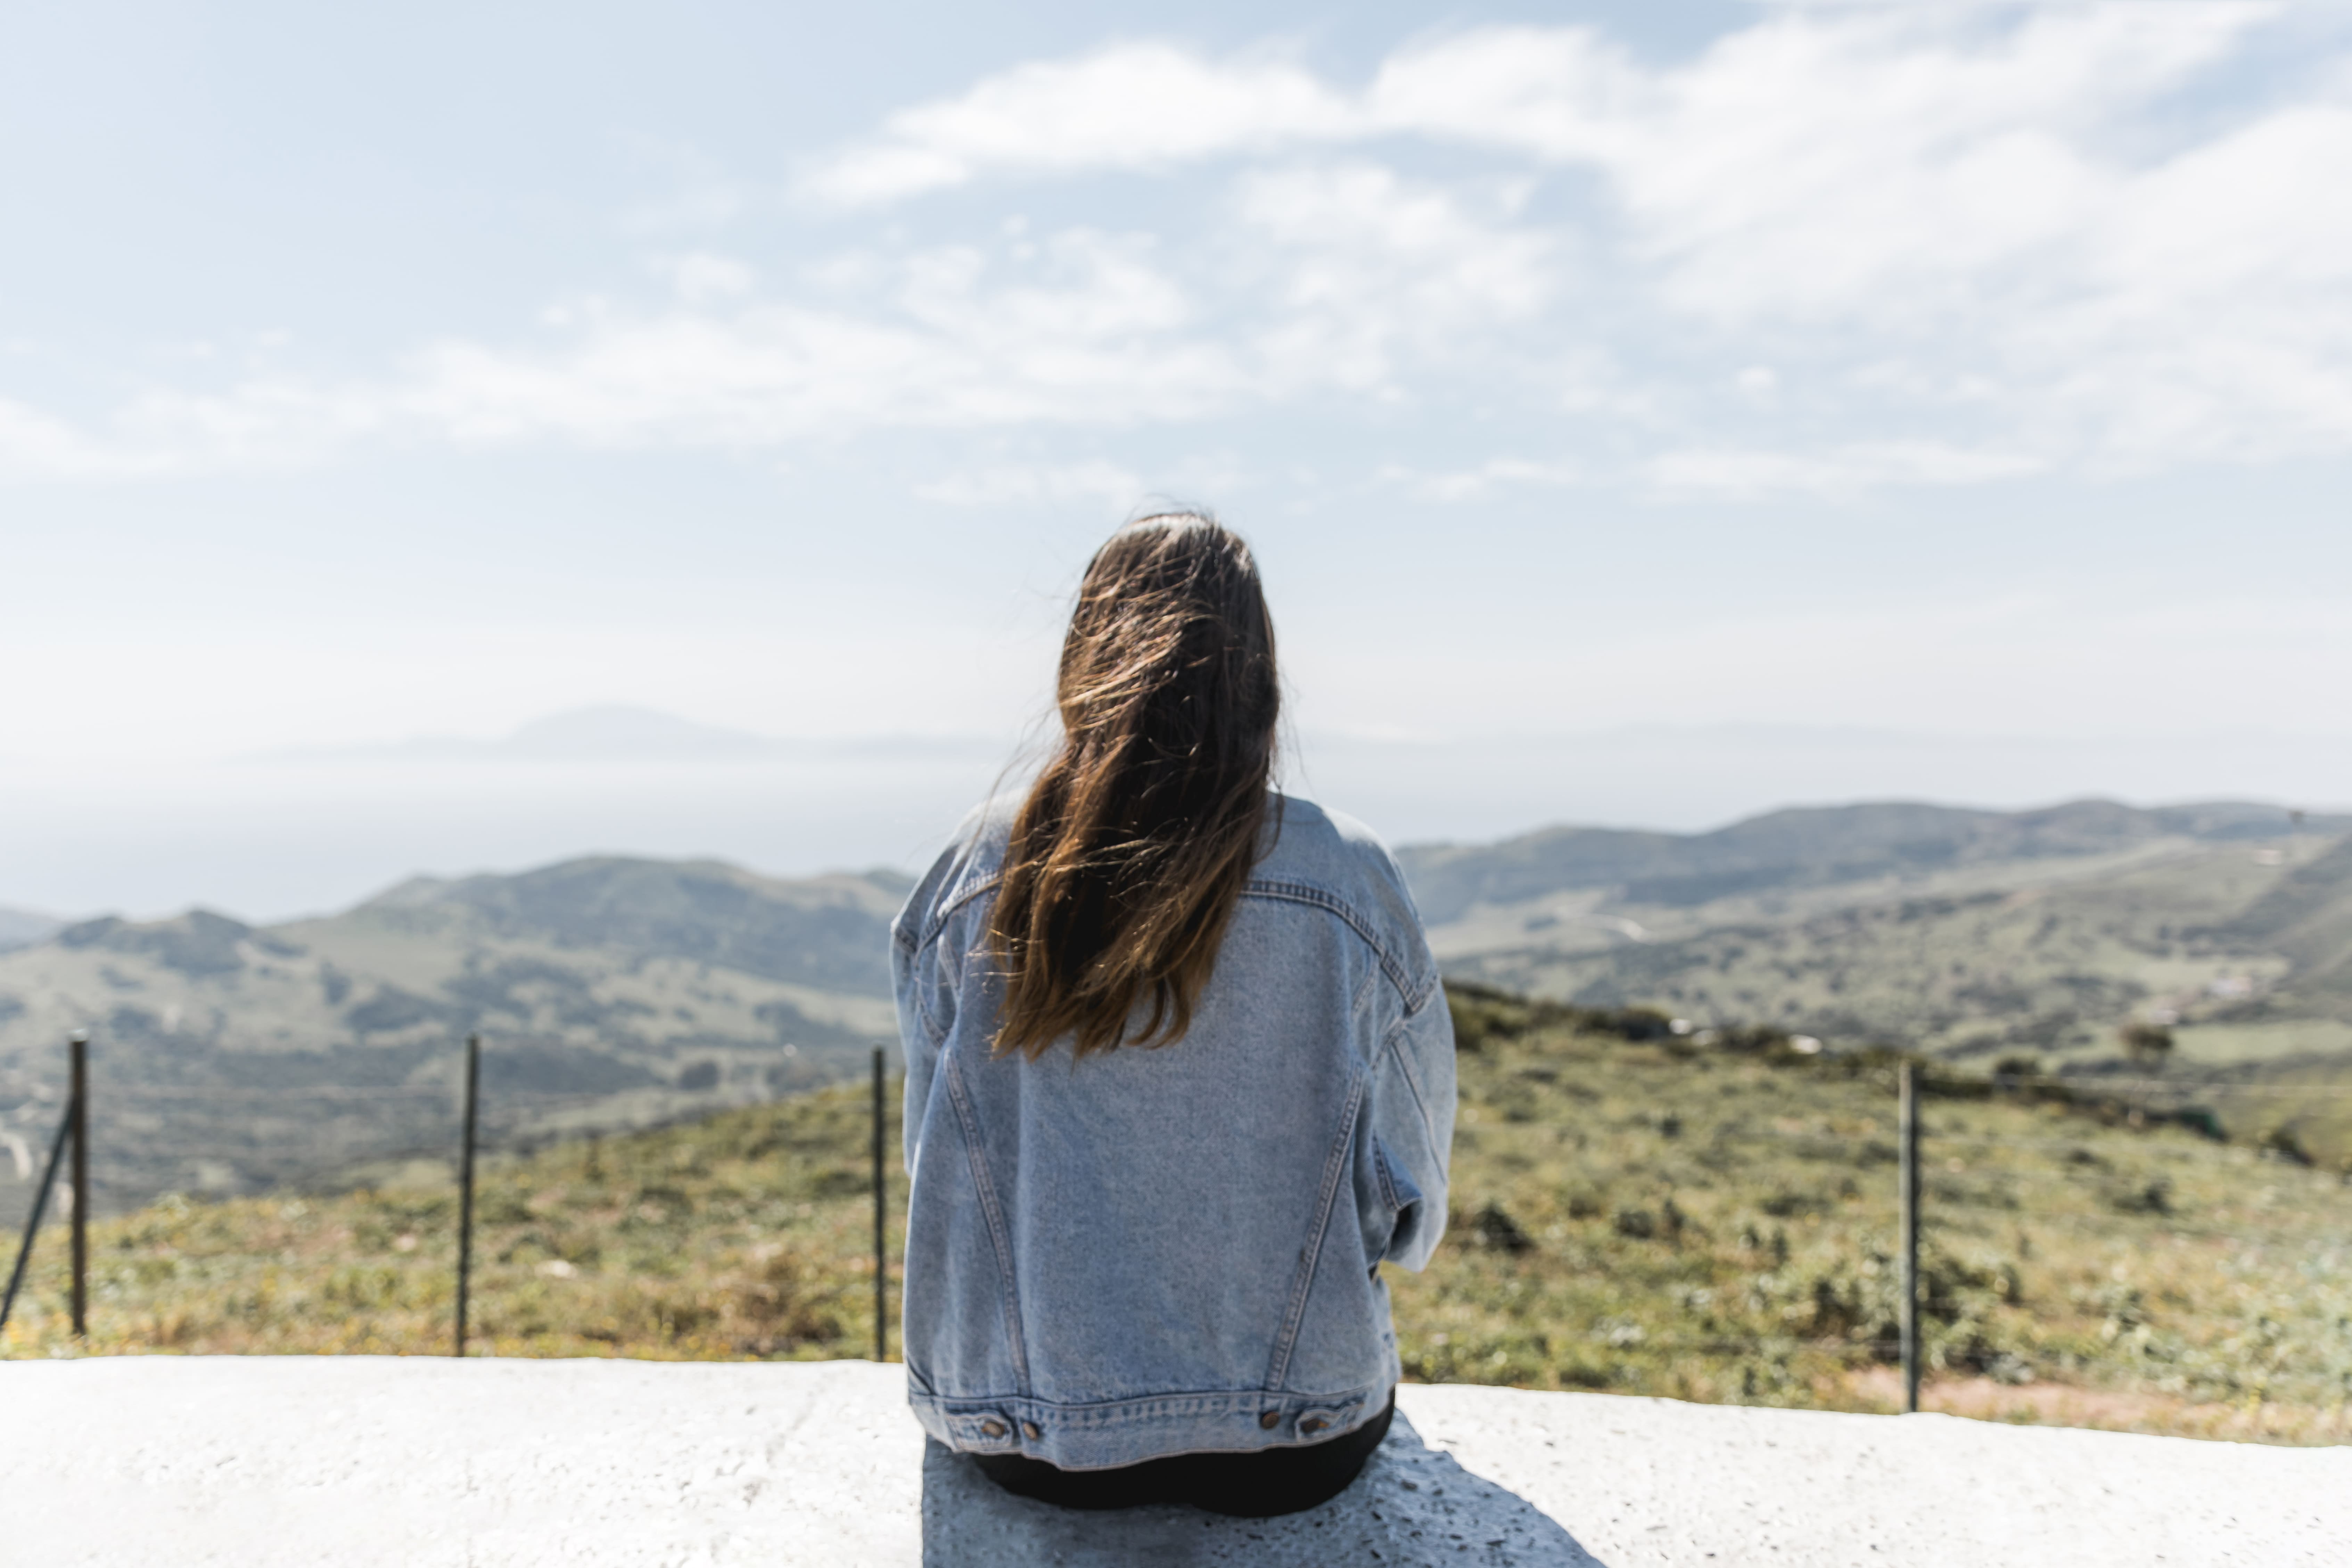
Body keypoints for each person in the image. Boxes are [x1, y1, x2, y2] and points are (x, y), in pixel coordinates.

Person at [890, 513, 1457, 1518]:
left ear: (1084, 662)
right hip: (1293, 1435)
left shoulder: (974, 868)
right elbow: (1408, 1195)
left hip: (1024, 1435)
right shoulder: (1346, 875)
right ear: (1259, 676)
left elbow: (928, 1157)